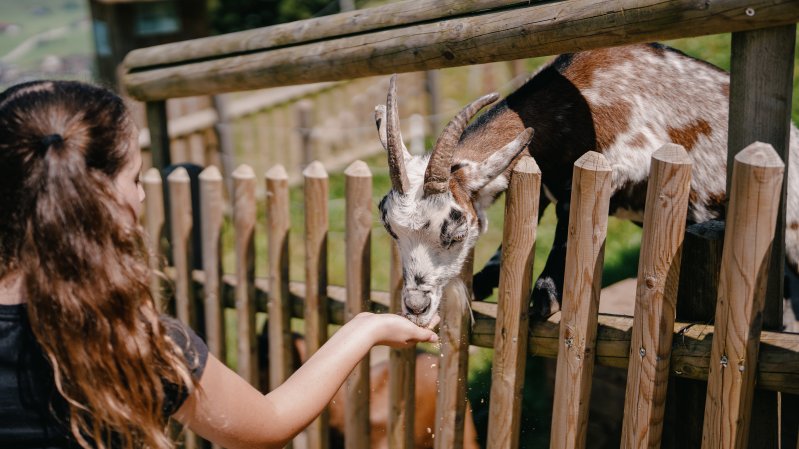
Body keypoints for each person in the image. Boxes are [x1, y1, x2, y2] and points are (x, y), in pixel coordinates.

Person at [0, 80, 439, 449]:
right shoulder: (132, 341)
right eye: (135, 178)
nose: (142, 194)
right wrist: (367, 327)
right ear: (97, 198)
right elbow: (267, 426)